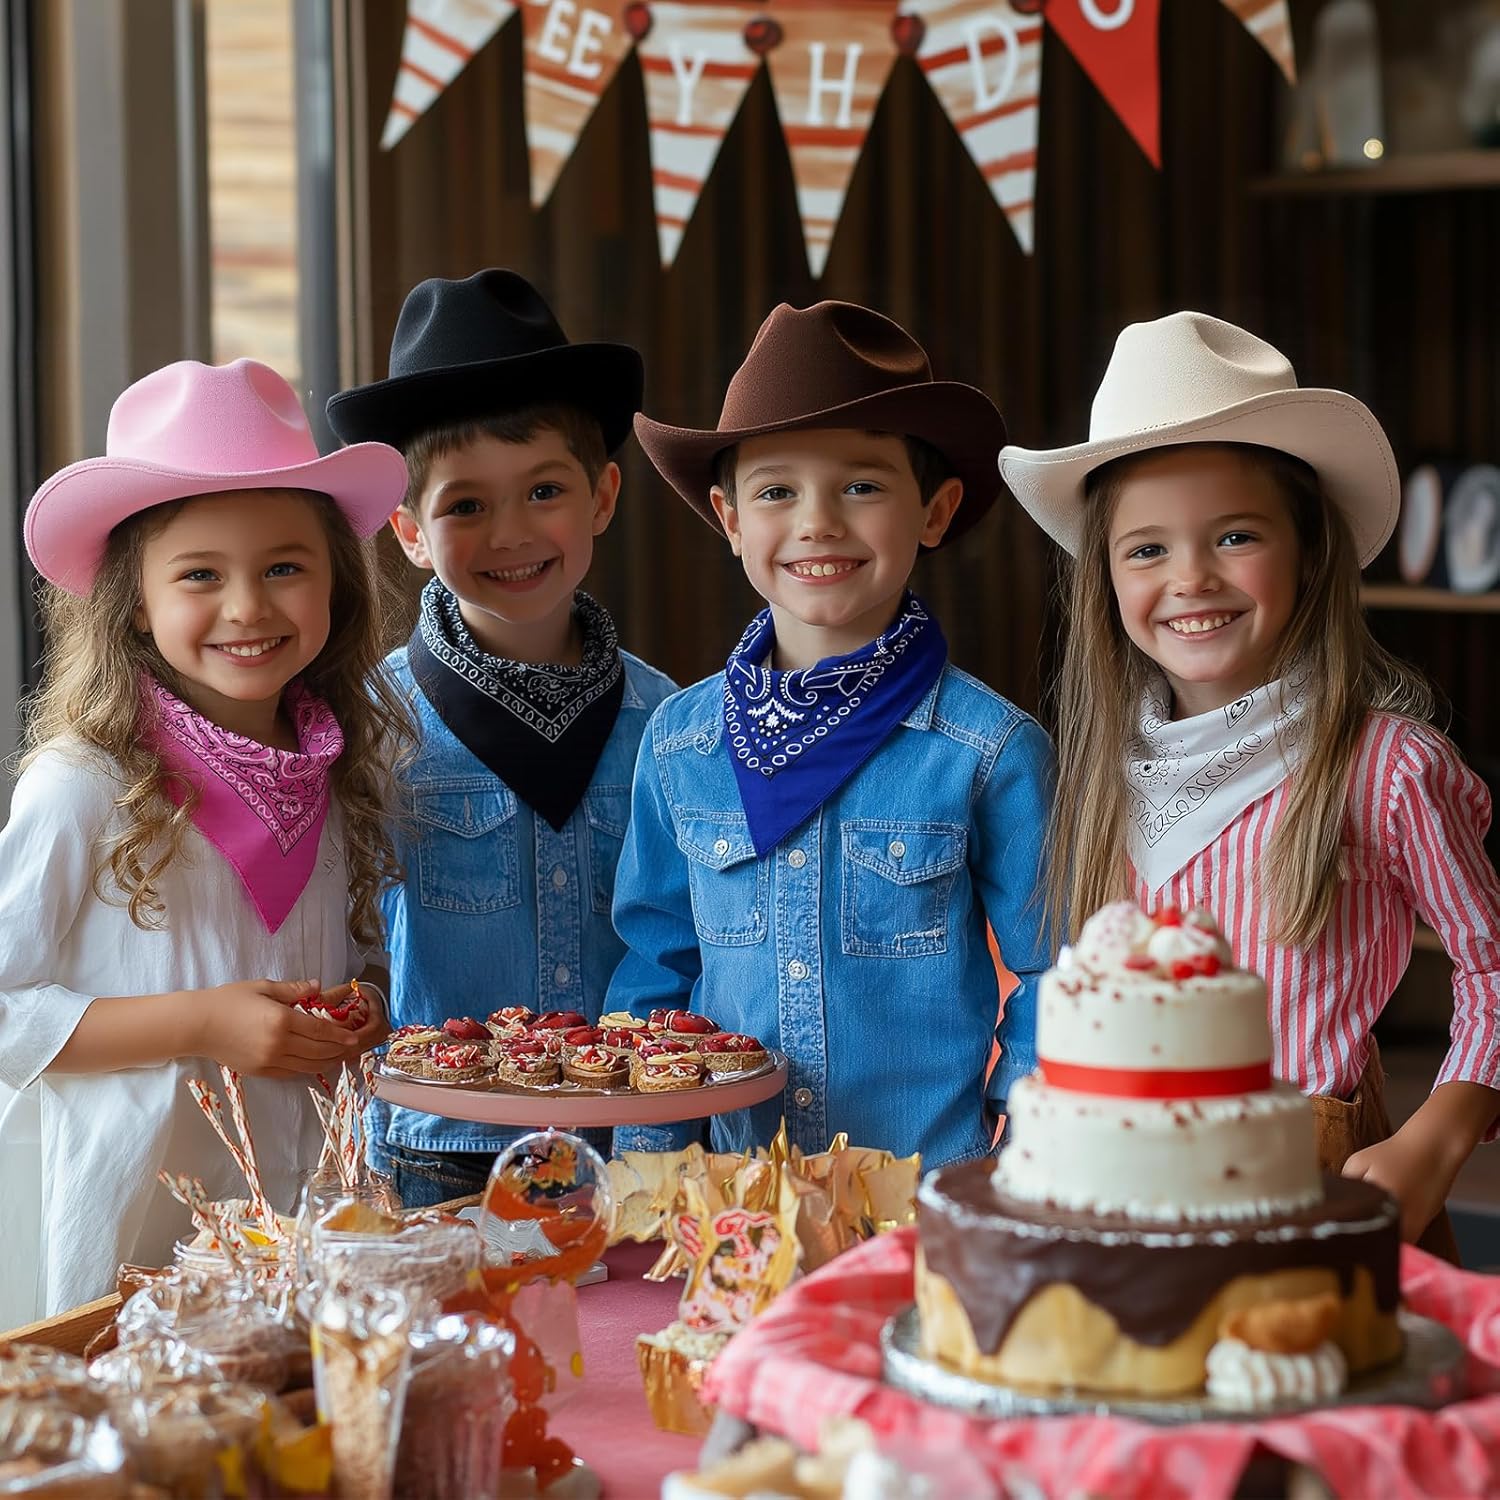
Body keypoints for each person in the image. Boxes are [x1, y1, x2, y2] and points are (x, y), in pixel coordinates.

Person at [1001, 310, 1500, 1254]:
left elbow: (1492, 968)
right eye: (1147, 549)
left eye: (1234, 536)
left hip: (1321, 1192)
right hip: (1124, 1194)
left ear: (1310, 549)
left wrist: (1435, 1140)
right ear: (1105, 576)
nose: (1191, 577)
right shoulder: (1098, 775)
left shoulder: (1384, 768)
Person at [0, 357, 406, 1316]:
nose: (248, 606)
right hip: (138, 1245)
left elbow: (337, 954)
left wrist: (362, 1004)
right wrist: (203, 1023)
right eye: (199, 575)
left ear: (336, 584)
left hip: (306, 1225)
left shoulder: (344, 768)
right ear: (135, 600)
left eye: (284, 568)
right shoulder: (84, 785)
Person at [608, 299, 1054, 1165]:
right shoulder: (678, 746)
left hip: (925, 1196)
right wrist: (649, 1171)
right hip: (735, 1200)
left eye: (862, 486)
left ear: (935, 511)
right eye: (777, 491)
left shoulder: (990, 751)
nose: (818, 521)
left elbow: (1057, 975)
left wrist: (1019, 1163)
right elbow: (657, 974)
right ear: (731, 519)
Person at [326, 269, 675, 1206]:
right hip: (436, 1152)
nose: (511, 533)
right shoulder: (368, 726)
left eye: (544, 490)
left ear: (602, 497)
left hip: (630, 1145)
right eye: (466, 505)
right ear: (409, 531)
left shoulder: (671, 727)